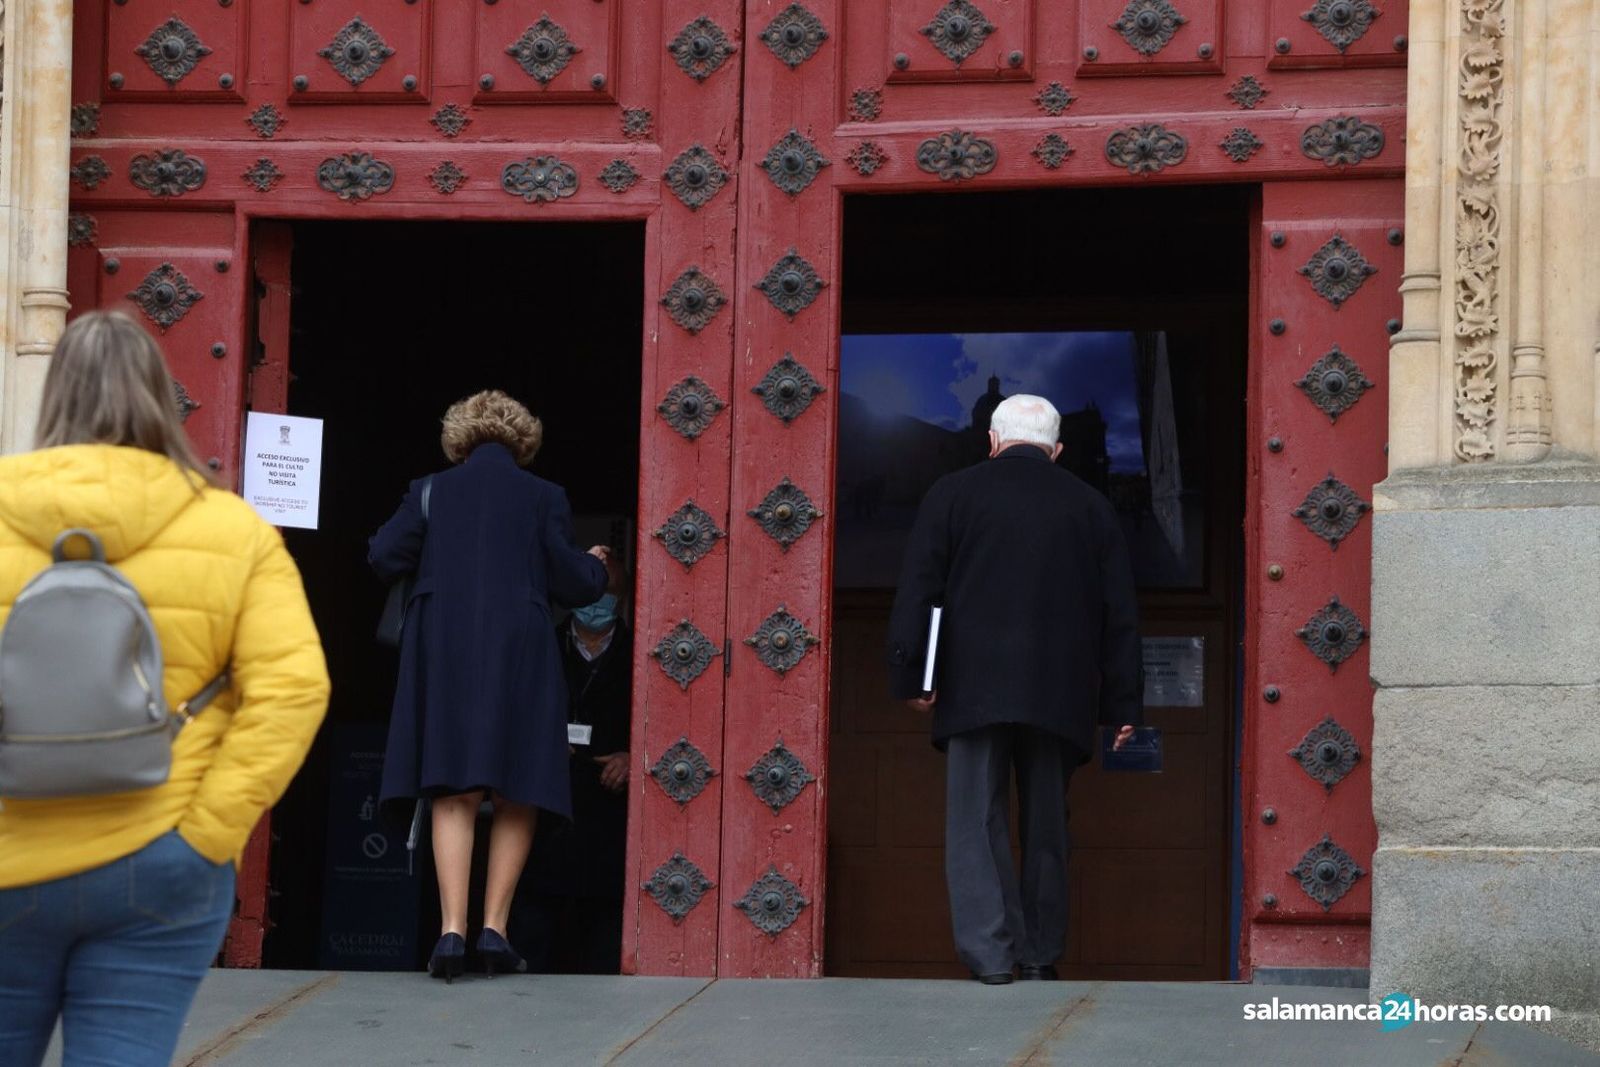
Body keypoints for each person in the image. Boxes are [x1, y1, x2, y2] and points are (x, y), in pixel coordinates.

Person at [0, 311, 330, 1066]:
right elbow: (293, 689)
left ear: (53, 394)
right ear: (161, 396)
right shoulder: (233, 529)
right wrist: (207, 834)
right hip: (160, 857)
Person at [886, 393, 1142, 986]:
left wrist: (913, 676)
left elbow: (919, 592)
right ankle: (1040, 955)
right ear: (1057, 449)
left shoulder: (951, 494)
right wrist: (1122, 704)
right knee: (1048, 823)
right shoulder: (1091, 505)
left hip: (971, 686)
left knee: (975, 819)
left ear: (993, 441)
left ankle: (992, 956)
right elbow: (1120, 614)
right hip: (1059, 690)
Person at [370, 389, 608, 981]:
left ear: (458, 437)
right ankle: (495, 929)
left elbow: (382, 555)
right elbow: (576, 582)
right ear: (523, 439)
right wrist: (597, 563)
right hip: (519, 646)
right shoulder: (544, 495)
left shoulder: (428, 490)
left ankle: (451, 933)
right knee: (517, 785)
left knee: (451, 785)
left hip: (443, 648)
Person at [513, 563, 633, 973]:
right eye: (590, 593)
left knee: (604, 934)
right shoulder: (543, 643)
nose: (597, 604)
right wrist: (541, 742)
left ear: (622, 601)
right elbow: (515, 706)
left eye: (607, 596)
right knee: (533, 924)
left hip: (610, 801)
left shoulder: (643, 652)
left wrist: (634, 756)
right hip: (549, 801)